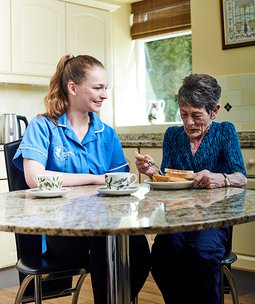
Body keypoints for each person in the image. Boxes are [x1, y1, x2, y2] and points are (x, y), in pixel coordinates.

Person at [13, 54, 151, 303]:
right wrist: (93, 179)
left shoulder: (106, 133)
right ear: (73, 88)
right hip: (59, 230)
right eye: (98, 88)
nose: (104, 95)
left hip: (104, 224)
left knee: (138, 247)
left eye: (105, 88)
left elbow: (118, 179)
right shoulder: (43, 126)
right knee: (104, 242)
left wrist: (143, 172)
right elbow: (34, 177)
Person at [135, 73, 247, 304]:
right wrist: (152, 172)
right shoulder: (172, 135)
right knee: (162, 256)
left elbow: (241, 177)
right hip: (177, 217)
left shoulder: (225, 132)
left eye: (196, 115)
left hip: (213, 219)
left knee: (202, 254)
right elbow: (167, 178)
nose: (188, 122)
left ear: (213, 112)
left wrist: (219, 178)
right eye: (183, 114)